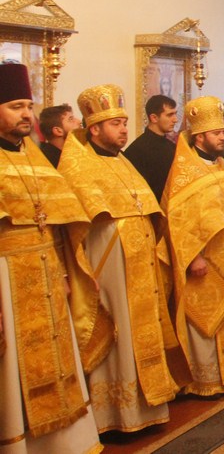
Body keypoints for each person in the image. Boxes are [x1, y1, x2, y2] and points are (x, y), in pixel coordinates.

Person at [59, 83, 185, 433]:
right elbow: (74, 230)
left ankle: (146, 408)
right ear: (94, 128)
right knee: (119, 333)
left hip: (138, 267)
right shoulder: (78, 167)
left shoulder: (123, 162)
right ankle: (114, 414)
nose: (124, 130)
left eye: (125, 122)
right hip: (108, 269)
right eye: (115, 124)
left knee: (140, 332)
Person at [0, 63, 104, 453]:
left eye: (29, 106)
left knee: (59, 358)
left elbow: (58, 223)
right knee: (14, 368)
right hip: (7, 276)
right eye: (15, 107)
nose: (26, 114)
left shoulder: (34, 157)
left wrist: (64, 273)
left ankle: (64, 444)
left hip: (46, 271)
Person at [161, 96, 224, 396]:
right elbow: (179, 222)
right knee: (206, 316)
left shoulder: (222, 166)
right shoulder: (184, 174)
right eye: (217, 133)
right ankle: (206, 379)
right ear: (200, 136)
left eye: (222, 132)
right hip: (204, 260)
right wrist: (194, 257)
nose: (222, 137)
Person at [123, 94, 177, 201]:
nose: (175, 119)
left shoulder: (172, 147)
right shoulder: (136, 150)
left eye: (175, 114)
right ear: (154, 118)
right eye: (170, 115)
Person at [37, 103, 81, 167]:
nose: (79, 121)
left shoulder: (77, 153)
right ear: (58, 131)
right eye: (71, 119)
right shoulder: (46, 162)